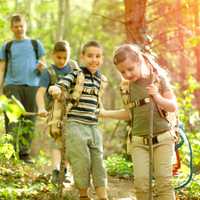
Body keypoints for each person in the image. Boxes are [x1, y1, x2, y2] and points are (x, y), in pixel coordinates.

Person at [100, 44, 177, 200]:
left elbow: (172, 106)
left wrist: (157, 97)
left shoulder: (157, 78)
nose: (127, 74)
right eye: (122, 72)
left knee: (164, 182)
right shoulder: (126, 87)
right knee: (141, 184)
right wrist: (105, 113)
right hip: (139, 141)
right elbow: (129, 114)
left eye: (130, 69)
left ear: (140, 60)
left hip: (163, 139)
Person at [49, 40, 108, 200]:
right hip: (75, 124)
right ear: (82, 57)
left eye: (98, 56)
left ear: (102, 59)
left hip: (93, 126)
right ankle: (83, 195)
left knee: (98, 162)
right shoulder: (76, 73)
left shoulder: (101, 79)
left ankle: (103, 196)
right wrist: (56, 88)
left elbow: (98, 102)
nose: (94, 59)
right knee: (81, 160)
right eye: (90, 56)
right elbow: (64, 84)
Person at [0, 14, 45, 163]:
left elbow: (42, 64)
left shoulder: (35, 44)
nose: (19, 29)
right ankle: (10, 154)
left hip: (32, 86)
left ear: (25, 25)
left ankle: (24, 154)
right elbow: (2, 69)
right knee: (12, 120)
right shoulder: (7, 46)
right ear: (11, 28)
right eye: (16, 26)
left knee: (30, 119)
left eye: (21, 26)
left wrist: (41, 67)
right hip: (11, 85)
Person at [36, 40, 72, 183]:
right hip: (55, 110)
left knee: (69, 141)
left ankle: (66, 171)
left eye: (65, 57)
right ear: (53, 56)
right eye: (59, 57)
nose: (62, 61)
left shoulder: (73, 68)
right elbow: (40, 92)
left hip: (72, 110)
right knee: (57, 139)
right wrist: (41, 108)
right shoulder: (48, 72)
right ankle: (56, 170)